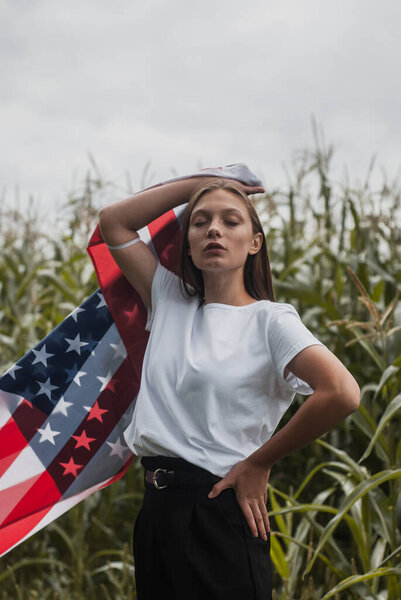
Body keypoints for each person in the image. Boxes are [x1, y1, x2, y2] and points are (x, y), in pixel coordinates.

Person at [98, 171, 360, 600]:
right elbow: (114, 222)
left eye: (231, 220)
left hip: (219, 506)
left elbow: (342, 392)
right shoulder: (169, 299)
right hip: (157, 510)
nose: (214, 229)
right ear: (188, 243)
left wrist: (259, 462)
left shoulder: (271, 321)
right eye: (200, 222)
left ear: (255, 242)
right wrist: (207, 183)